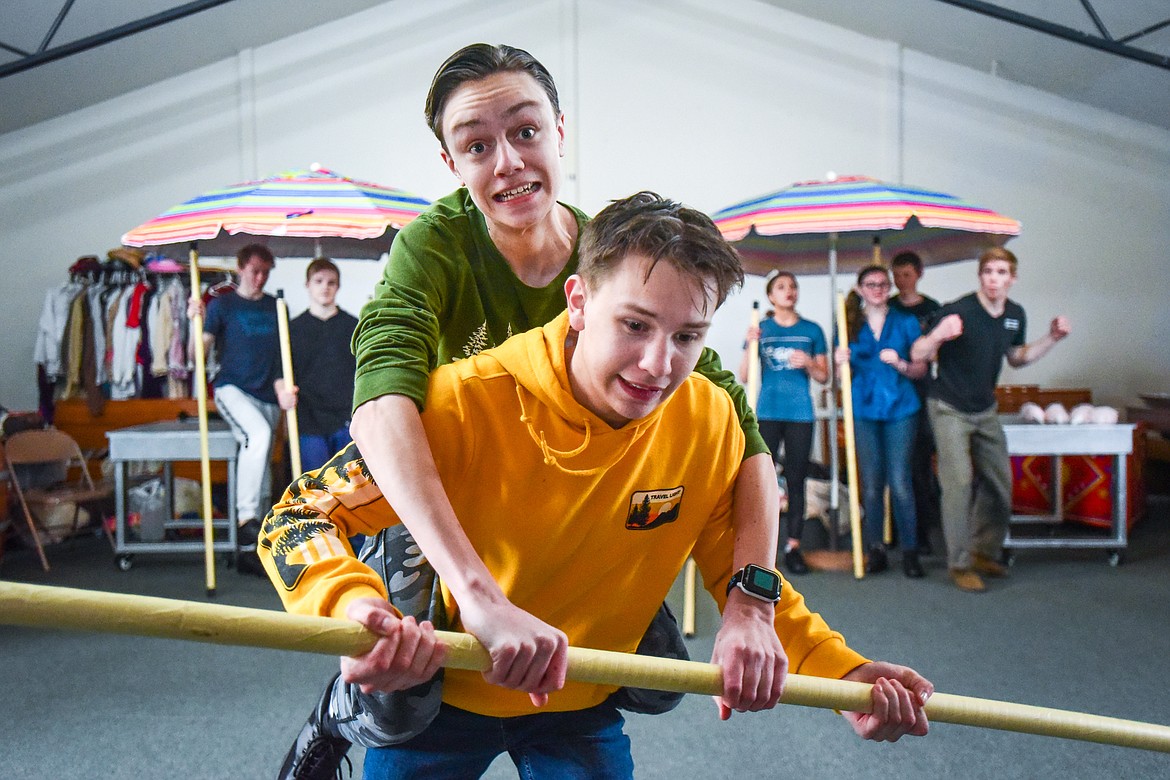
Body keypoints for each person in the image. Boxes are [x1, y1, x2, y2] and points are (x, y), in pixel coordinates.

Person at [259, 192, 933, 779]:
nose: (658, 364)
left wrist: (839, 671)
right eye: (635, 325)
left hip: (579, 698)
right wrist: (350, 609)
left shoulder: (707, 417)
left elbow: (739, 568)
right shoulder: (465, 401)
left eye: (688, 336)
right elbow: (296, 518)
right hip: (440, 695)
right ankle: (338, 716)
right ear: (579, 302)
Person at [274, 43, 782, 777]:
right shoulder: (432, 248)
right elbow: (381, 400)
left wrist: (752, 603)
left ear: (559, 131)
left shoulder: (614, 257)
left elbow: (739, 430)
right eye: (477, 146)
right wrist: (476, 596)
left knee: (653, 665)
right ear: (452, 165)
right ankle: (340, 712)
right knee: (402, 683)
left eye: (526, 131)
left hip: (569, 500)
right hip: (455, 487)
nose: (508, 161)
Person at [911, 247, 1071, 592]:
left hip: (984, 409)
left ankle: (984, 551)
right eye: (988, 272)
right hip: (948, 407)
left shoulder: (1015, 315)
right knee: (959, 485)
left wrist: (1052, 338)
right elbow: (918, 354)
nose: (994, 279)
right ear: (981, 276)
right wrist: (939, 334)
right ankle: (960, 563)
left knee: (1001, 485)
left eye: (1001, 272)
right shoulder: (959, 310)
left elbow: (1018, 357)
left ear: (1012, 278)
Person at [836, 265, 927, 578]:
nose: (877, 289)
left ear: (889, 288)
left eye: (882, 284)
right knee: (872, 483)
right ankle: (875, 549)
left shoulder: (905, 322)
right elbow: (839, 379)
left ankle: (911, 552)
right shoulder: (847, 323)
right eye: (870, 284)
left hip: (901, 409)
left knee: (900, 482)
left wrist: (900, 363)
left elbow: (921, 370)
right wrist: (839, 364)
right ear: (860, 288)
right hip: (863, 409)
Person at [738, 271, 828, 575]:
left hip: (800, 414)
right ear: (771, 296)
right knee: (762, 481)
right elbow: (745, 376)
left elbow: (825, 376)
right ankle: (761, 548)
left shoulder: (812, 330)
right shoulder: (760, 329)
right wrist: (751, 344)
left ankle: (793, 547)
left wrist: (811, 363)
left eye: (793, 286)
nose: (788, 291)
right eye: (781, 287)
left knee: (796, 479)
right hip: (767, 413)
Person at [194, 243, 281, 555]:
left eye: (266, 273)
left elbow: (283, 354)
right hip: (232, 389)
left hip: (269, 393)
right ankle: (246, 518)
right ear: (241, 267)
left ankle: (255, 545)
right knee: (257, 435)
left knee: (264, 461)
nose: (260, 278)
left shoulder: (275, 307)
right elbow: (198, 355)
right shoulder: (221, 306)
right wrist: (195, 321)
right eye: (255, 271)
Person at [274, 257, 360, 471]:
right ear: (308, 284)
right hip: (308, 419)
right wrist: (282, 393)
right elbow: (280, 372)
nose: (325, 287)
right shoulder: (291, 329)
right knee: (314, 486)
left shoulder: (353, 326)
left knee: (349, 486)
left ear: (338, 286)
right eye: (319, 281)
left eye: (331, 282)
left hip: (346, 418)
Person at [888, 251, 942, 554]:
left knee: (920, 464)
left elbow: (937, 351)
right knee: (899, 469)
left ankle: (923, 531)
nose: (900, 281)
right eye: (896, 275)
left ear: (918, 274)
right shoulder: (890, 308)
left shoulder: (933, 309)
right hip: (892, 394)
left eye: (906, 275)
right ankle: (896, 530)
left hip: (923, 391)